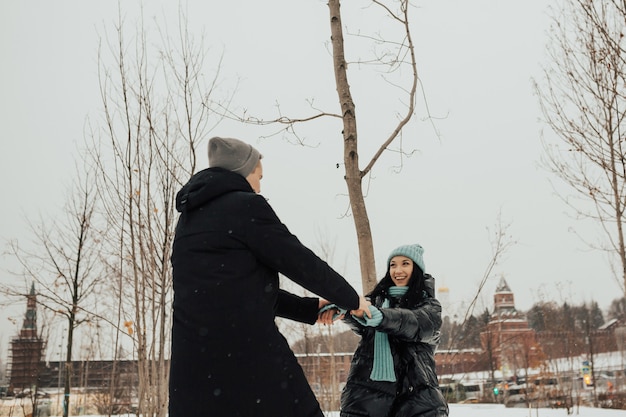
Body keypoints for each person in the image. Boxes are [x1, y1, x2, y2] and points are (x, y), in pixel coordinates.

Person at [168, 136, 370, 417]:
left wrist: (310, 309)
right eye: (258, 176)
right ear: (243, 172)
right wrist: (351, 298)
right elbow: (298, 261)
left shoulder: (188, 221)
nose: (260, 186)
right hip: (247, 355)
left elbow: (235, 293)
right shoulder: (245, 206)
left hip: (193, 365)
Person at [338, 243, 449, 417]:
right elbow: (360, 320)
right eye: (393, 265)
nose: (398, 270)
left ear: (416, 269)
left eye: (405, 264)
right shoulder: (374, 302)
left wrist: (380, 317)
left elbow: (414, 323)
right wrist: (344, 310)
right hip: (366, 396)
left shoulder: (429, 306)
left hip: (417, 397)